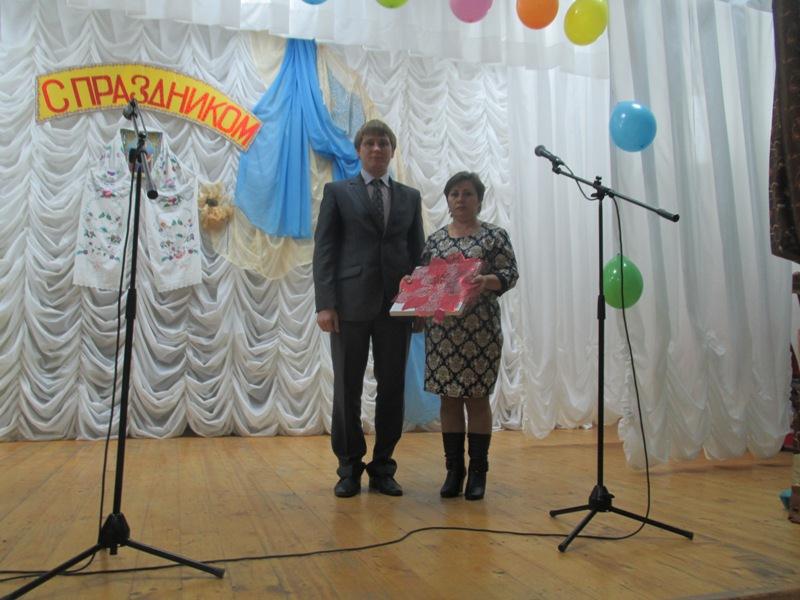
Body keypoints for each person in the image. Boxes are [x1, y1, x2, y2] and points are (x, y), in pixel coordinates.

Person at [313, 119, 425, 498]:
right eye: (370, 143)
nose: (377, 149)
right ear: (359, 151)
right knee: (347, 387)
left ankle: (383, 467)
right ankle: (348, 468)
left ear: (392, 151)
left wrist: (420, 305)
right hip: (349, 306)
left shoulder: (410, 197)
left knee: (393, 388)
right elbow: (325, 251)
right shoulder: (337, 192)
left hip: (397, 309)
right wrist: (326, 304)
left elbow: (418, 255)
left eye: (383, 143)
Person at [421, 171, 518, 500]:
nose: (460, 199)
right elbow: (425, 280)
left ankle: (478, 471)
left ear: (479, 200)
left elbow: (510, 274)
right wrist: (412, 285)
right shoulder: (435, 240)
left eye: (467, 193)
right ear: (447, 201)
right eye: (454, 194)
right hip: (442, 334)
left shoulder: (494, 236)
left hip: (480, 332)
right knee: (448, 399)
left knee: (477, 399)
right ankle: (454, 470)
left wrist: (486, 281)